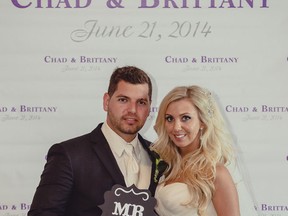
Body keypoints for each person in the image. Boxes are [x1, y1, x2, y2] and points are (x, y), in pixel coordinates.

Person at [28, 66, 165, 216]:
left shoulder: (159, 156)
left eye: (141, 102)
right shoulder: (69, 155)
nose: (132, 109)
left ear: (149, 107)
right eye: (123, 100)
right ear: (106, 101)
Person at [151, 85, 258, 216]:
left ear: (202, 122)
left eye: (185, 118)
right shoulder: (167, 167)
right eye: (169, 119)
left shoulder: (216, 173)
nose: (176, 127)